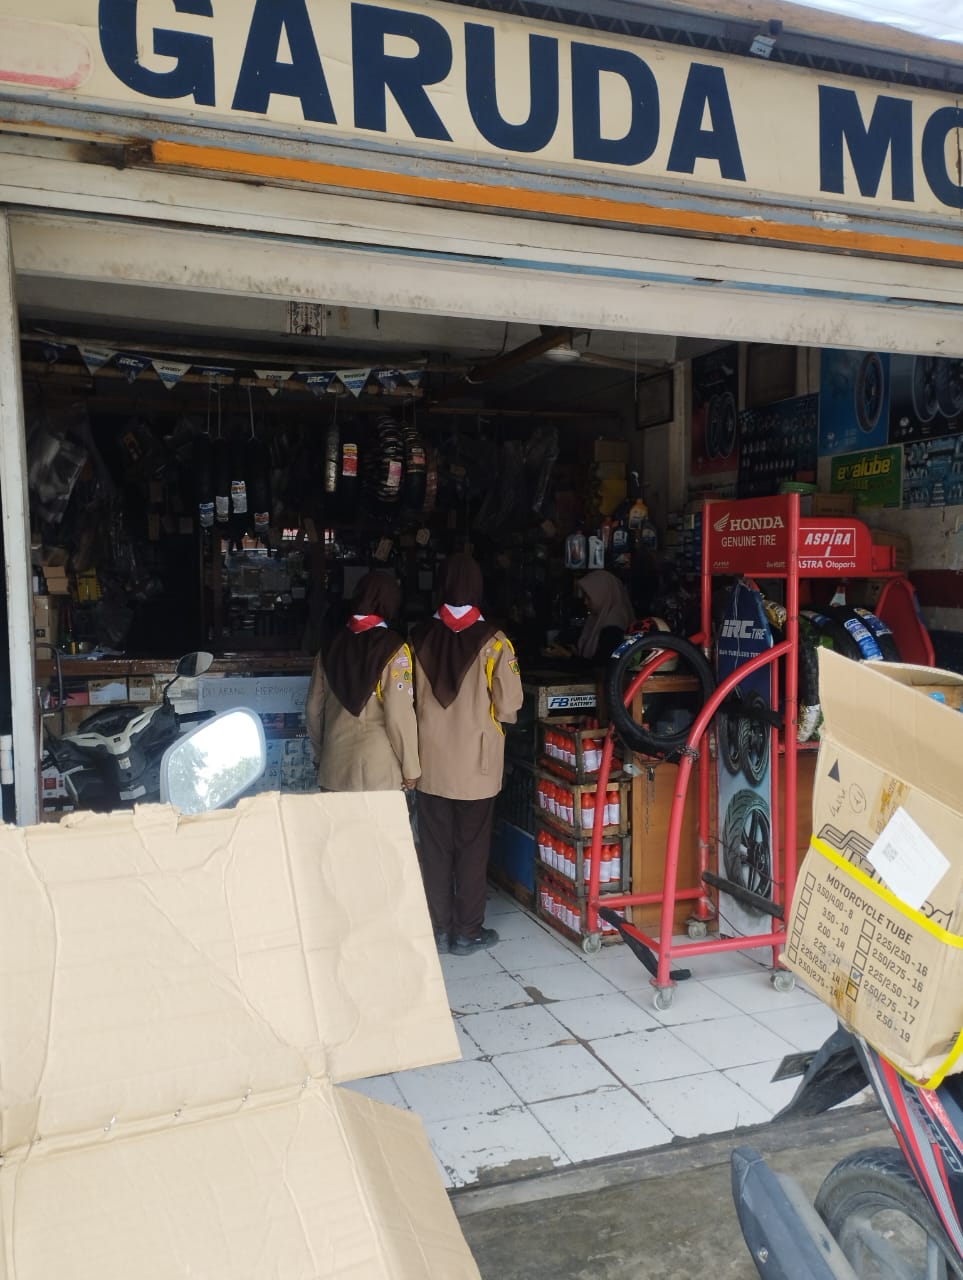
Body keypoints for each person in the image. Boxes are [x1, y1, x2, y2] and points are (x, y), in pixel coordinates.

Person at [411, 553, 523, 956]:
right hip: (477, 763)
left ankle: (438, 929)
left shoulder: (417, 637)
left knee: (435, 848)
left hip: (429, 762)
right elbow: (509, 706)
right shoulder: (495, 642)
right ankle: (467, 932)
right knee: (473, 849)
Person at [305, 571, 420, 792]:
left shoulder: (328, 647)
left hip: (334, 767)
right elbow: (398, 715)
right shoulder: (394, 648)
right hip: (378, 770)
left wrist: (321, 755)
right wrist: (411, 769)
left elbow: (312, 709)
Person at [545, 569, 634, 665]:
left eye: (588, 597)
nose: (585, 602)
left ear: (602, 595)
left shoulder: (614, 627)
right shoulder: (599, 617)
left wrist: (567, 655)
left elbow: (600, 666)